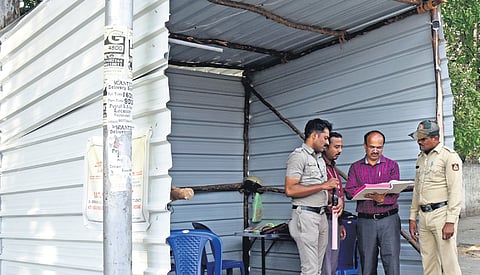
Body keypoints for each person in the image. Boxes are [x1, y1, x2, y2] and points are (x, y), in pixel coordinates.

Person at [285, 118, 340, 275]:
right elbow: (290, 189)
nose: (327, 142)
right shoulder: (298, 156)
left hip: (321, 215)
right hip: (305, 216)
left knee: (317, 269)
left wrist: (334, 199)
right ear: (314, 136)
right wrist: (323, 185)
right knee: (309, 269)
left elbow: (320, 189)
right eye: (325, 138)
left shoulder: (319, 159)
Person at [408, 120, 462, 275]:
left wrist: (451, 221)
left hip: (442, 215)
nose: (419, 141)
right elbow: (417, 190)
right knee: (429, 262)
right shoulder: (421, 159)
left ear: (435, 138)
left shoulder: (448, 157)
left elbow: (455, 191)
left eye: (423, 138)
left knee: (449, 262)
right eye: (418, 138)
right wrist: (413, 217)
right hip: (424, 217)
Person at [345, 130, 401, 275]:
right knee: (367, 264)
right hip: (366, 222)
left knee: (392, 263)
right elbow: (349, 191)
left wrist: (383, 199)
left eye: (379, 147)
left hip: (389, 220)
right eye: (372, 147)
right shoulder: (355, 167)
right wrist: (363, 192)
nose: (375, 151)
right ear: (365, 146)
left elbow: (395, 193)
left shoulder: (392, 165)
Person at [321, 132, 347, 275]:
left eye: (341, 147)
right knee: (325, 264)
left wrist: (340, 222)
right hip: (323, 220)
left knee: (333, 263)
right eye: (336, 147)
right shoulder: (319, 167)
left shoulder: (333, 168)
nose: (340, 151)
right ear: (325, 147)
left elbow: (339, 195)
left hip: (335, 221)